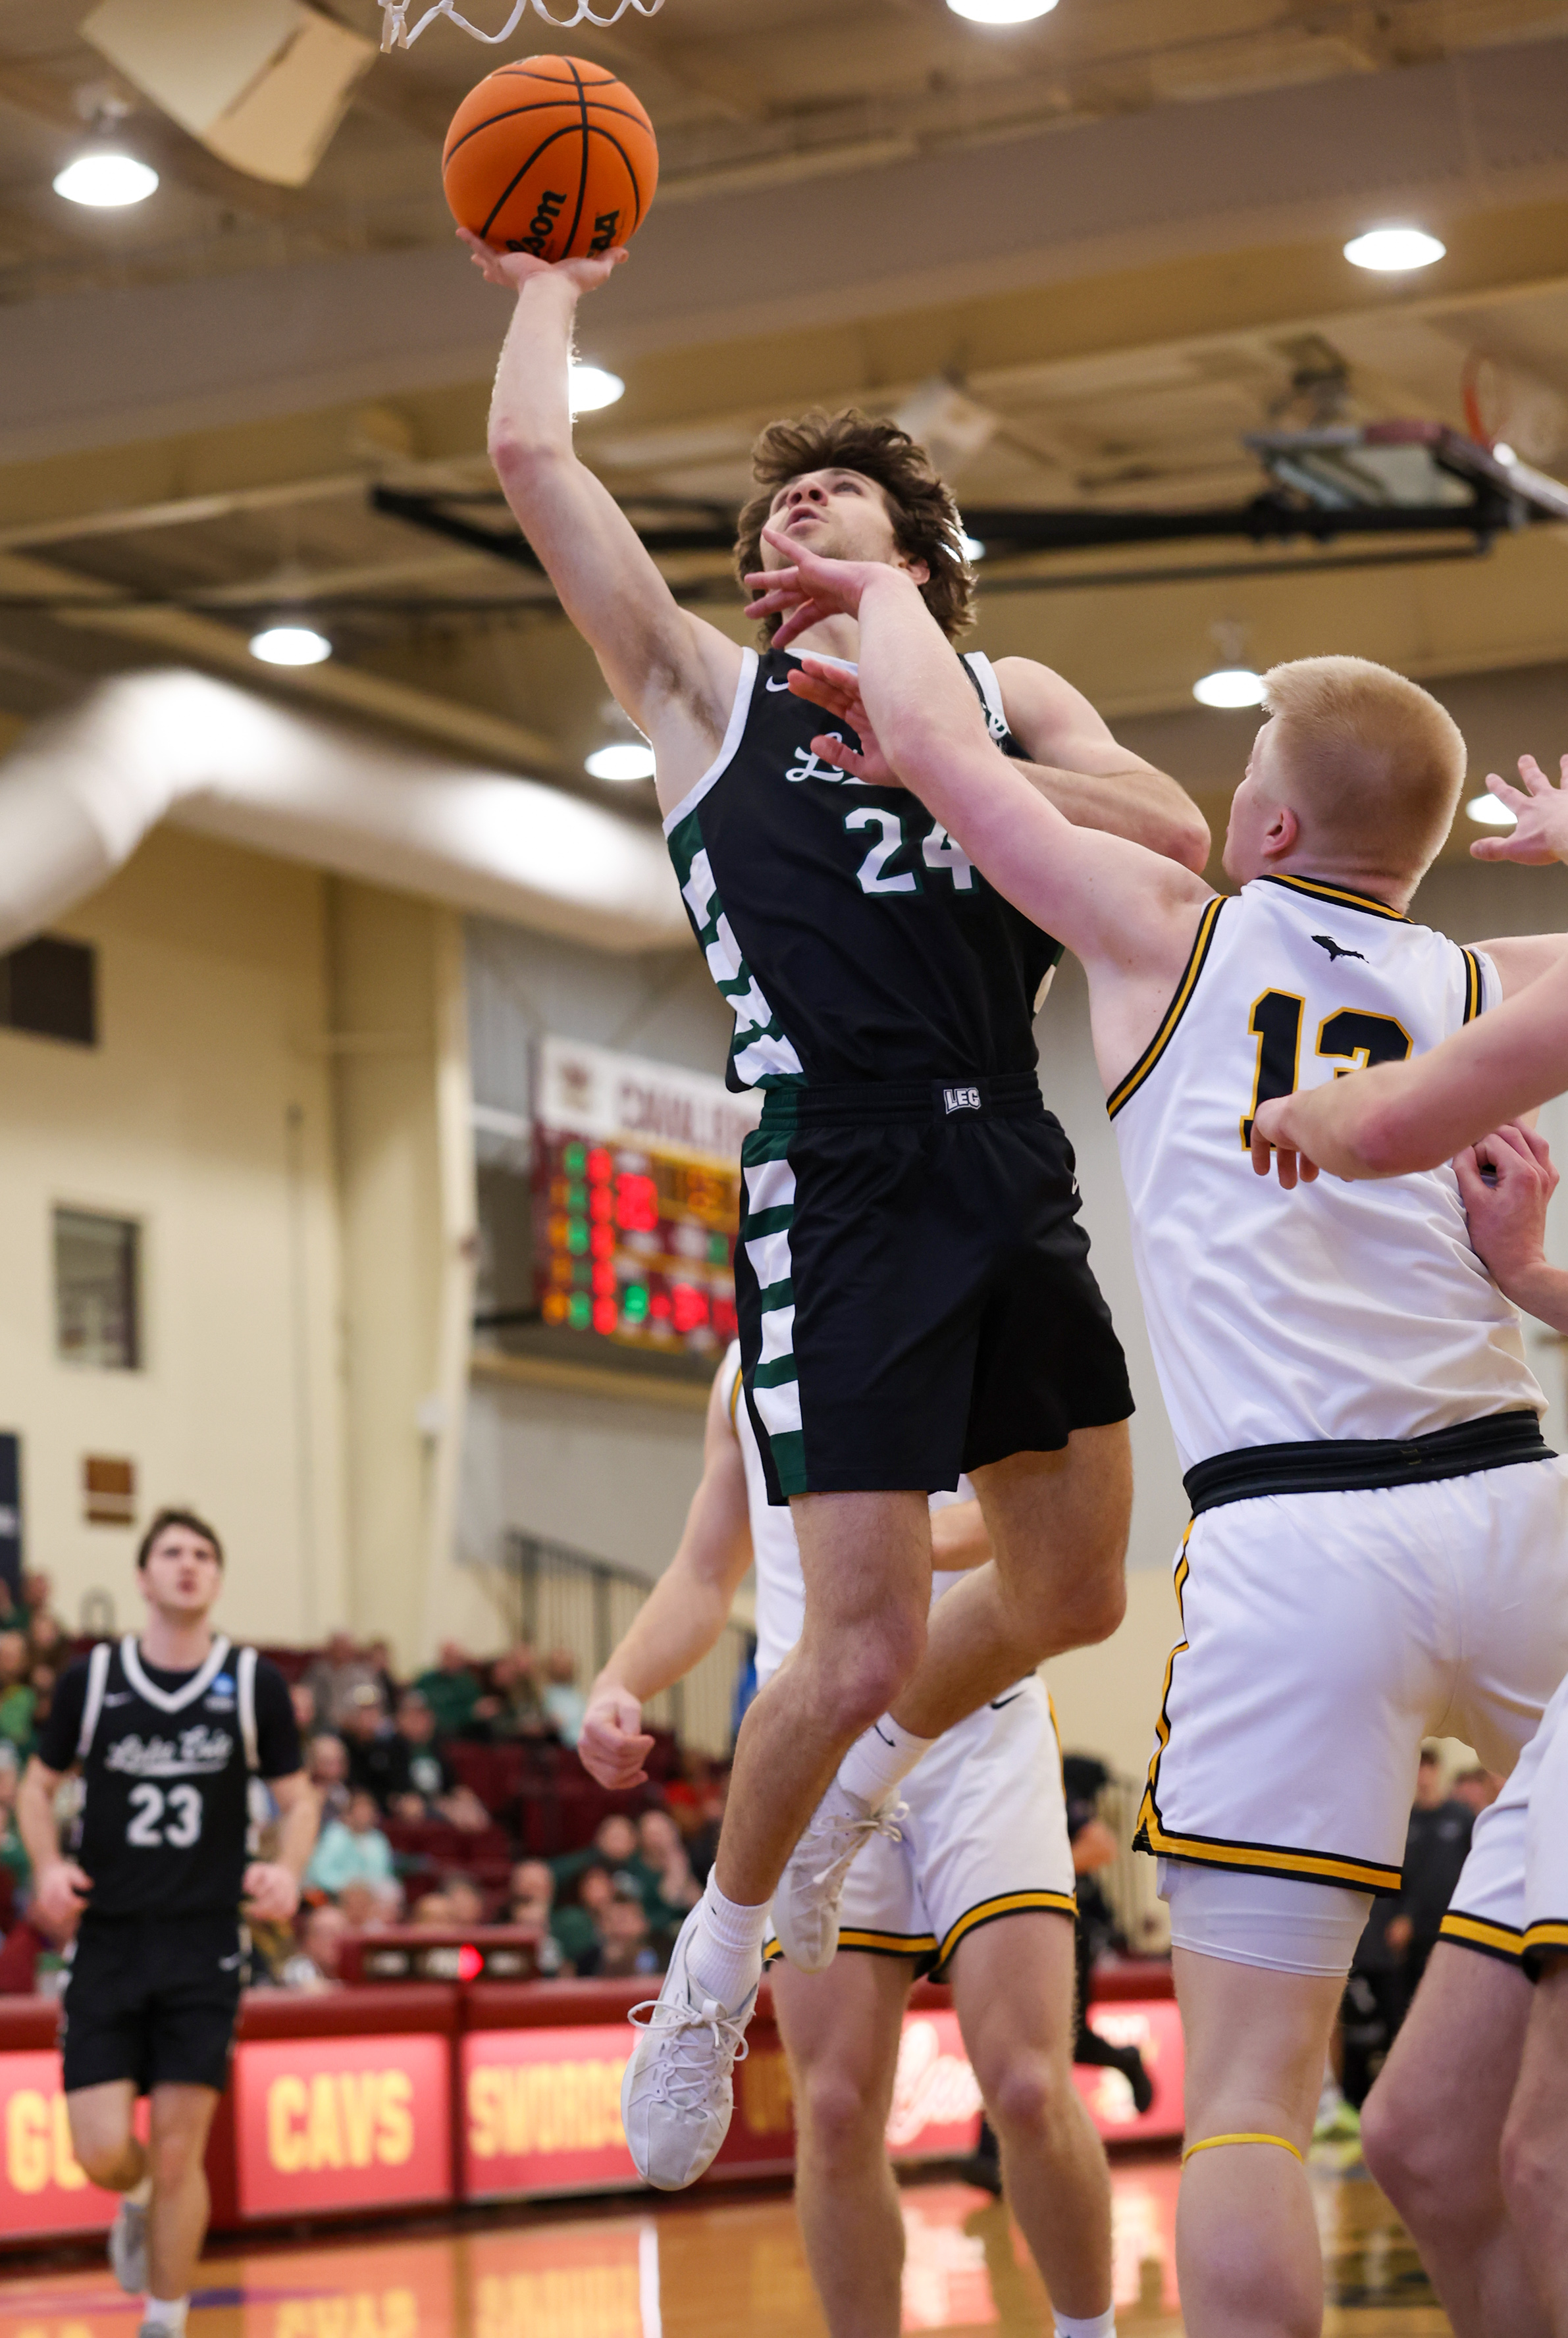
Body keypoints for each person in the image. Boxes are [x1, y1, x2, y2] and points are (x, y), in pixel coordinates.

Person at [465, 226, 1211, 2189]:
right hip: (842, 1160)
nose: (790, 506)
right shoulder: (705, 687)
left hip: (1008, 1150)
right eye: (775, 499)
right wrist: (551, 284)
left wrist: (942, 737)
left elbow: (1180, 835)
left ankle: (854, 1787)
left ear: (913, 541)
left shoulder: (999, 687)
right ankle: (711, 1962)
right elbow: (535, 465)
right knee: (862, 1634)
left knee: (1071, 1587)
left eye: (835, 491)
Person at [760, 532, 1568, 2338]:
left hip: (1295, 1542)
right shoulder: (1470, 985)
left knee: (1254, 2112)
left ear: (1266, 832)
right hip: (1520, 1516)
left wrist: (879, 585)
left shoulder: (1165, 931)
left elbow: (955, 765)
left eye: (1242, 783)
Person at [579, 1347, 1118, 2338]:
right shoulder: (743, 1365)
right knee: (830, 2110)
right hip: (817, 1735)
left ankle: (1089, 2330)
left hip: (977, 1725)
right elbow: (707, 1568)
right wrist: (619, 1679)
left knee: (1032, 2087)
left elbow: (1023, 1523)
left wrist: (888, 1548)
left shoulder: (958, 1284)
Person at [15, 1510, 316, 2338]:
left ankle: (166, 2319)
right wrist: (45, 1866)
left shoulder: (250, 1682)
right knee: (102, 2150)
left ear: (216, 1580)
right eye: (172, 1553)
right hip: (108, 1939)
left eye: (204, 1555)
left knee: (185, 2151)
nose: (189, 1565)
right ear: (143, 1579)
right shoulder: (93, 1677)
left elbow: (300, 1801)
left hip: (204, 1941)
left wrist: (287, 1870)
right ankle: (136, 2195)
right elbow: (35, 1787)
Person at [305, 1790, 394, 1900]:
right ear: (349, 1814)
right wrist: (346, 1885)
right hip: (335, 1892)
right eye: (360, 1813)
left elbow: (383, 1873)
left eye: (367, 1813)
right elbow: (320, 1871)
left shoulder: (378, 1839)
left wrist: (365, 1887)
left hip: (370, 1893)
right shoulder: (335, 1834)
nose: (364, 1817)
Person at [541, 1650, 587, 1748]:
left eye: (568, 1664)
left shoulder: (576, 1694)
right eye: (561, 1665)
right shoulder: (547, 1695)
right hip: (566, 1749)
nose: (566, 1669)